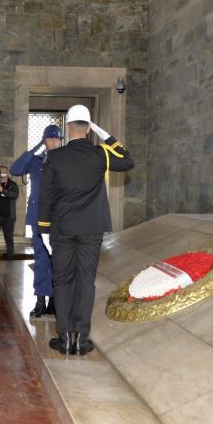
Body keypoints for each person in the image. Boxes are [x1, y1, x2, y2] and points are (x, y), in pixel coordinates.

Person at [38, 105, 134, 356]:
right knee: (85, 281)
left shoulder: (55, 157)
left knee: (62, 281)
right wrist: (105, 135)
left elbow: (46, 197)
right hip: (91, 228)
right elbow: (127, 160)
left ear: (68, 127)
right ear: (89, 129)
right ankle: (81, 338)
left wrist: (44, 230)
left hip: (62, 228)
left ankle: (64, 337)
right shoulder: (100, 154)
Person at [10, 124, 63, 318]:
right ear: (44, 141)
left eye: (57, 139)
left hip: (59, 217)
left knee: (58, 259)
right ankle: (40, 300)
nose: (53, 142)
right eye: (49, 139)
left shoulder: (67, 160)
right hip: (38, 217)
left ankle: (55, 301)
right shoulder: (35, 161)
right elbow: (15, 169)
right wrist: (35, 148)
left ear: (61, 141)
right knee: (41, 258)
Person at [0, 165, 19, 260]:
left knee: (9, 239)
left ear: (7, 173)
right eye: (0, 172)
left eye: (4, 172)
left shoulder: (13, 184)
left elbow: (14, 195)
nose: (2, 174)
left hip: (8, 217)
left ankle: (10, 258)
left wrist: (2, 189)